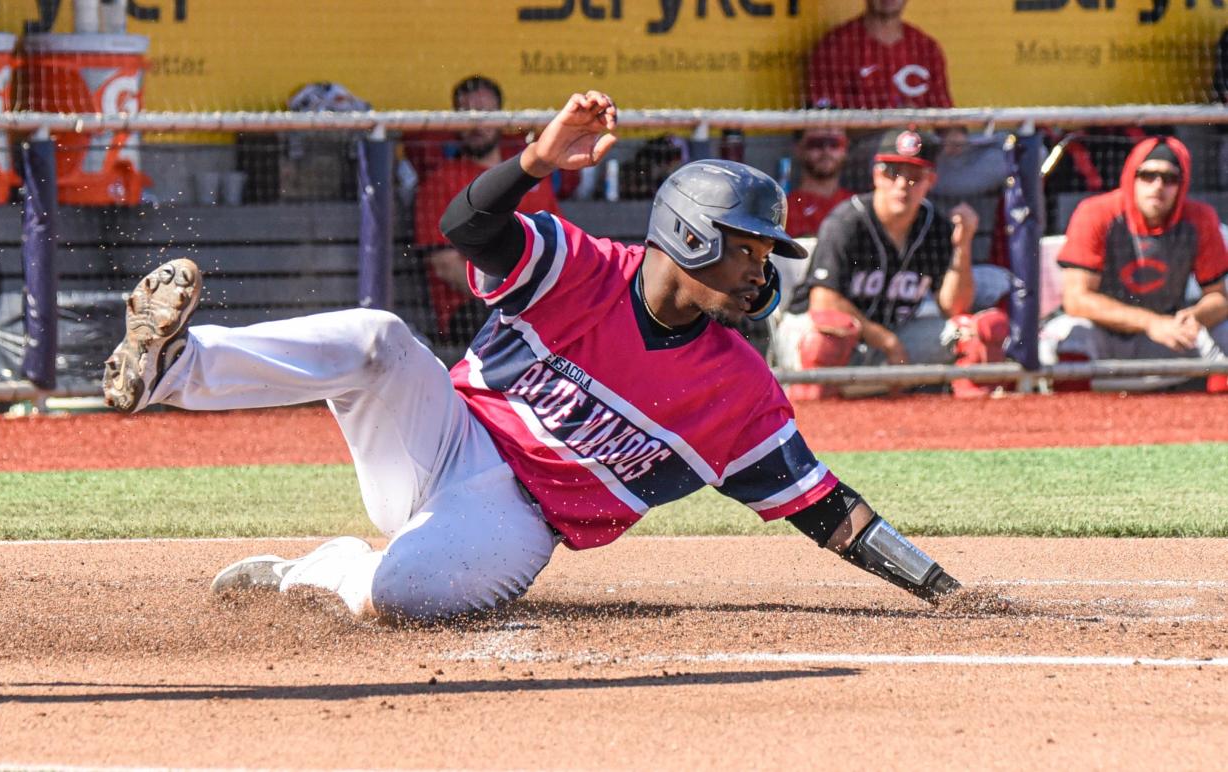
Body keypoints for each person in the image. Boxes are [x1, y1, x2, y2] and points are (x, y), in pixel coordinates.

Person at [101, 91, 962, 622]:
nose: (761, 270)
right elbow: (468, 229)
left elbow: (829, 511)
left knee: (407, 597)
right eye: (748, 249)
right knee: (377, 337)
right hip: (443, 434)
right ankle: (172, 370)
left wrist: (946, 591)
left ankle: (327, 572)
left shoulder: (737, 385)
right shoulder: (582, 267)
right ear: (691, 238)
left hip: (519, 517)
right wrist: (537, 161)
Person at [774, 129, 1009, 400]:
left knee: (976, 333)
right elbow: (823, 302)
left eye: (914, 177)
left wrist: (962, 246)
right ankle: (817, 424)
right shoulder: (848, 222)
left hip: (891, 337)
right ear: (876, 175)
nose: (901, 185)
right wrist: (885, 340)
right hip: (813, 334)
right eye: (892, 173)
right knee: (828, 338)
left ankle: (972, 431)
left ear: (930, 181)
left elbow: (954, 307)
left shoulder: (933, 227)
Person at [1040, 136, 1228, 392]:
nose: (1158, 186)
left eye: (1170, 178)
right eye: (1148, 175)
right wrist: (1151, 322)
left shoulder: (1200, 218)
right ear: (1132, 176)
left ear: (1182, 185)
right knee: (1071, 334)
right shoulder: (1096, 213)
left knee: (1224, 331)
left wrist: (1193, 316)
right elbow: (1076, 300)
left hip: (1168, 336)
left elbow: (1218, 298)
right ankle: (1070, 424)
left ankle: (1212, 422)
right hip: (1103, 336)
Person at [412, 76, 562, 350]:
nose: (477, 124)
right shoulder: (440, 181)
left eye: (486, 113)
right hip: (473, 308)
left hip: (536, 298)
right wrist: (510, 295)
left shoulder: (531, 176)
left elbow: (556, 243)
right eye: (467, 114)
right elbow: (445, 266)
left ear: (501, 117)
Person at [806, 0, 952, 111]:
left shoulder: (926, 47)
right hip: (860, 145)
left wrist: (953, 137)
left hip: (920, 143)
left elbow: (945, 113)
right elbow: (827, 120)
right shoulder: (836, 46)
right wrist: (888, 122)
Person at [786, 127, 852, 239]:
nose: (826, 151)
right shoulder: (785, 208)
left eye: (835, 143)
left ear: (845, 148)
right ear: (798, 148)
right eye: (816, 143)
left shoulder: (856, 204)